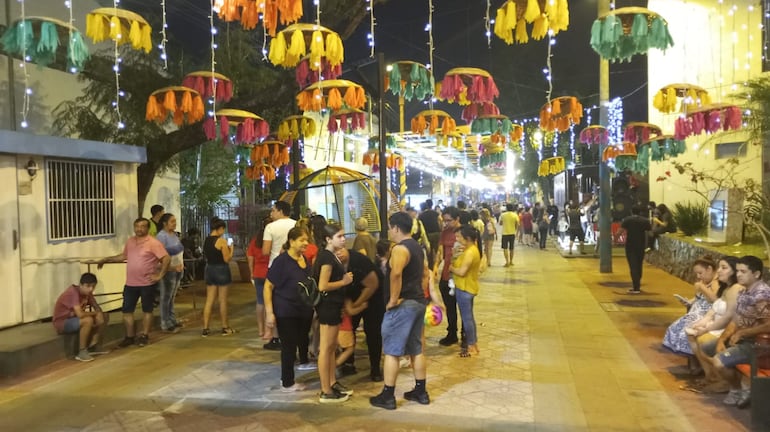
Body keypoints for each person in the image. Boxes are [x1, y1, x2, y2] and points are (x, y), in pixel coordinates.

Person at [370, 211, 430, 410]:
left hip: (403, 305)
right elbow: (424, 274)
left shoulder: (400, 249)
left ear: (396, 228)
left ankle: (388, 395)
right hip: (418, 302)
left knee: (392, 351)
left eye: (389, 227)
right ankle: (420, 391)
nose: (389, 231)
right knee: (416, 348)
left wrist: (393, 300)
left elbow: (395, 274)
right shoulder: (417, 247)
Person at [99, 218, 170, 348]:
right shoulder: (130, 241)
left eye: (142, 226)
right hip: (131, 283)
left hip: (147, 283)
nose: (139, 229)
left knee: (147, 310)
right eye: (137, 226)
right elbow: (124, 256)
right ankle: (129, 336)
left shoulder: (153, 243)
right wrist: (107, 259)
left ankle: (144, 335)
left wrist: (160, 275)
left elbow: (166, 258)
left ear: (147, 228)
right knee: (127, 310)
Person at [710, 255, 770, 407]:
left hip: (757, 345)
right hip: (743, 341)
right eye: (737, 271)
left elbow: (768, 325)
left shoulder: (761, 294)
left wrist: (742, 333)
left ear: (756, 274)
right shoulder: (744, 292)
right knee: (709, 347)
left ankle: (737, 389)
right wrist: (722, 339)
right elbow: (736, 320)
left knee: (719, 361)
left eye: (743, 271)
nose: (738, 275)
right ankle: (740, 387)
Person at [264, 227, 316, 392]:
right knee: (288, 346)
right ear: (291, 241)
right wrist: (270, 312)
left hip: (304, 309)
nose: (305, 243)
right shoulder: (282, 261)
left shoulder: (304, 259)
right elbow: (268, 286)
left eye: (306, 240)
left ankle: (301, 363)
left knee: (302, 339)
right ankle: (287, 382)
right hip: (286, 310)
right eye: (301, 240)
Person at [684, 256, 742, 393]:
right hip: (717, 323)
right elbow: (713, 309)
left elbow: (728, 317)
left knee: (704, 340)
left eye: (724, 268)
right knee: (691, 333)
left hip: (725, 328)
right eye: (720, 267)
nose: (719, 271)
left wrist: (706, 329)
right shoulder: (725, 288)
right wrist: (701, 323)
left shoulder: (735, 289)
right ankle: (710, 376)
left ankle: (720, 381)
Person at [314, 223, 354, 403]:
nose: (343, 239)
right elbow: (323, 286)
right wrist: (344, 281)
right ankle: (325, 390)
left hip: (333, 306)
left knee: (330, 348)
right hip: (328, 306)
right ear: (328, 240)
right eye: (339, 236)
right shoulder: (327, 258)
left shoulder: (332, 256)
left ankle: (332, 382)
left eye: (344, 235)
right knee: (326, 348)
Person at [336, 247, 384, 381]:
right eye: (335, 251)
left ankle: (375, 369)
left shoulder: (358, 261)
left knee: (373, 332)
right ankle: (348, 364)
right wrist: (348, 306)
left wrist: (357, 304)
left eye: (341, 249)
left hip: (374, 297)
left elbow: (372, 285)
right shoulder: (330, 263)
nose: (338, 253)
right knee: (348, 330)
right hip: (352, 296)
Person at [662, 256, 720, 357]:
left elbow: (714, 299)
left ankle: (695, 361)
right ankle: (693, 361)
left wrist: (702, 287)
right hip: (695, 312)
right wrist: (689, 301)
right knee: (674, 327)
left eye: (700, 273)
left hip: (706, 314)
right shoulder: (704, 282)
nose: (698, 276)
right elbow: (698, 298)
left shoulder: (716, 282)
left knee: (686, 331)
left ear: (709, 269)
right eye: (697, 273)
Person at [262, 201, 297, 350]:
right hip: (295, 266)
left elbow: (265, 251)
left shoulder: (270, 227)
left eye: (273, 211)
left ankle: (277, 337)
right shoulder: (297, 225)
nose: (271, 214)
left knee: (276, 303)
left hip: (275, 268)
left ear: (281, 211)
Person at [52, 273, 108, 362]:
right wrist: (96, 313)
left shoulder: (88, 293)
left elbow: (96, 306)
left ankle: (93, 346)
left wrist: (99, 313)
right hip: (62, 322)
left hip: (74, 320)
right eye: (88, 286)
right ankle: (82, 352)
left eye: (93, 286)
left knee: (104, 315)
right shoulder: (73, 292)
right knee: (88, 320)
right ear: (81, 285)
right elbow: (80, 314)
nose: (91, 289)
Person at [450, 225, 482, 358]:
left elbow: (462, 272)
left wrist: (451, 268)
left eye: (459, 237)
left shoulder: (470, 252)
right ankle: (473, 344)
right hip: (467, 287)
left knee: (467, 319)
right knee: (469, 318)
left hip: (465, 288)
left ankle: (471, 346)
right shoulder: (470, 249)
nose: (457, 239)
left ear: (467, 238)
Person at [201, 217, 235, 337]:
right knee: (222, 300)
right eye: (223, 229)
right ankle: (225, 327)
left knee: (209, 300)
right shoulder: (221, 241)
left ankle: (205, 328)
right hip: (221, 269)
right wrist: (231, 250)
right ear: (220, 228)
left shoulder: (206, 240)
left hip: (210, 269)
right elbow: (227, 259)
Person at [436, 206, 461, 346]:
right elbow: (440, 252)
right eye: (444, 220)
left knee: (463, 308)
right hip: (446, 276)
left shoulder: (465, 233)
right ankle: (452, 333)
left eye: (449, 221)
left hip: (460, 277)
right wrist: (434, 268)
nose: (446, 223)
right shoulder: (444, 233)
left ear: (457, 219)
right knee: (450, 307)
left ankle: (466, 335)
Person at [156, 213, 185, 333]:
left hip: (178, 269)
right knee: (166, 297)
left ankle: (172, 319)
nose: (174, 223)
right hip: (169, 270)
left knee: (172, 297)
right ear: (164, 223)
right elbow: (160, 255)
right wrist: (171, 267)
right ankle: (165, 322)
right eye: (172, 221)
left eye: (175, 221)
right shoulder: (161, 236)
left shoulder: (173, 235)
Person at [247, 216, 272, 340]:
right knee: (270, 302)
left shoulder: (255, 240)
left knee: (260, 301)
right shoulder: (271, 240)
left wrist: (251, 272)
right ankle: (269, 330)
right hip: (270, 273)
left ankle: (261, 329)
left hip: (258, 273)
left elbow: (250, 257)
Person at [619, 205, 652, 294]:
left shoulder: (627, 220)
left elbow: (620, 231)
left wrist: (615, 240)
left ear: (631, 211)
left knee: (633, 266)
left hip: (630, 245)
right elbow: (650, 233)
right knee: (639, 265)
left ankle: (636, 287)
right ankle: (637, 285)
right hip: (641, 245)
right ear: (640, 212)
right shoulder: (645, 221)